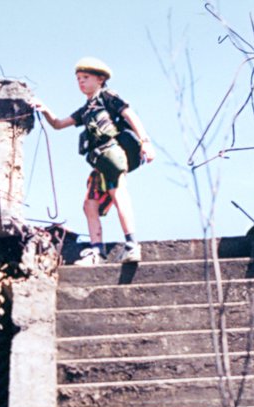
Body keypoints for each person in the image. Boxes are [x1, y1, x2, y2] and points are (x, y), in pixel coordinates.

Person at [34, 56, 155, 265]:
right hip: (99, 161)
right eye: (78, 78)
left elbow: (129, 114)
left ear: (100, 79)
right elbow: (58, 124)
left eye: (86, 77)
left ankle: (132, 244)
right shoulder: (86, 108)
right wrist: (44, 109)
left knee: (119, 195)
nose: (81, 82)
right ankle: (96, 251)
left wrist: (145, 141)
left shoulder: (107, 96)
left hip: (111, 154)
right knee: (90, 205)